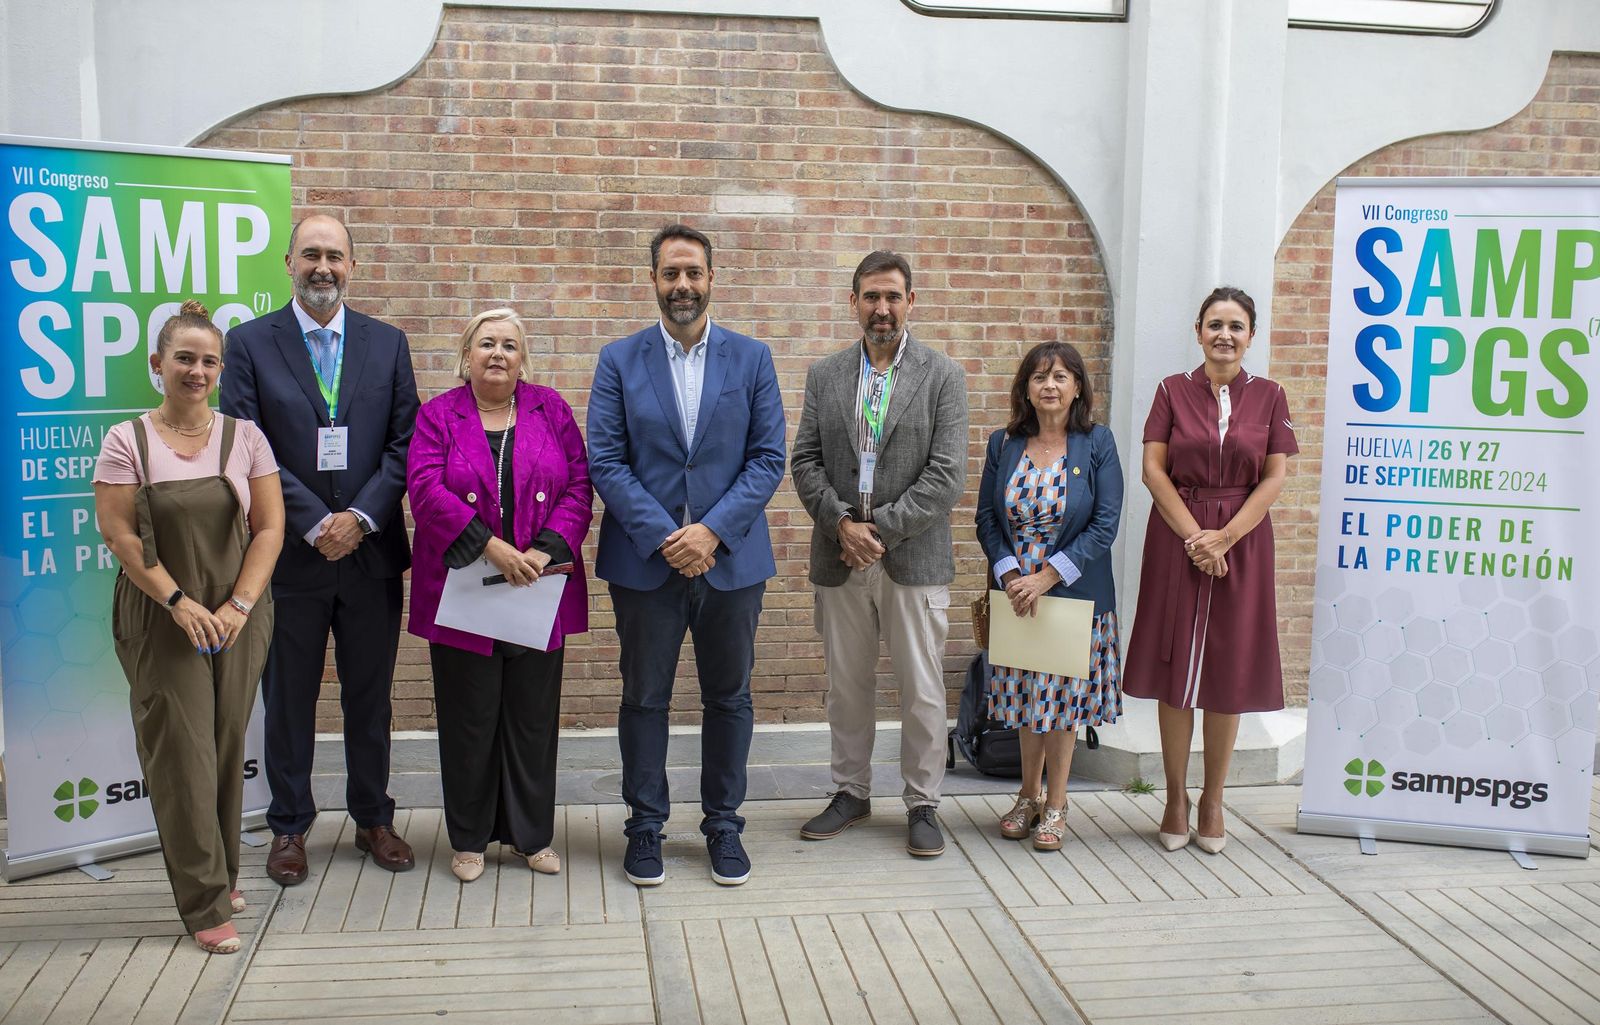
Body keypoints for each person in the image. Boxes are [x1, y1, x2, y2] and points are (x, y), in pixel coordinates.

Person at [220, 214, 421, 885]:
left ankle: (372, 817)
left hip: (371, 555)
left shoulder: (388, 344)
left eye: (335, 256)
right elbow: (248, 446)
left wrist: (359, 516)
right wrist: (315, 522)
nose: (323, 267)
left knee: (370, 695)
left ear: (353, 266)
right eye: (311, 254)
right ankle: (289, 824)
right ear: (288, 262)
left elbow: (405, 444)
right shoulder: (248, 344)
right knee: (289, 695)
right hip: (291, 556)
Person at [586, 224, 786, 888]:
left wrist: (712, 532)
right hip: (647, 562)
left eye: (693, 273)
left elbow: (767, 459)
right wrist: (669, 536)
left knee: (729, 697)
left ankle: (723, 825)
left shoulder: (753, 359)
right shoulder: (619, 360)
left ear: (712, 279)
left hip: (732, 562)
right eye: (671, 273)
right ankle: (645, 828)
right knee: (645, 697)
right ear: (653, 280)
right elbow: (606, 462)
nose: (683, 285)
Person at [94, 301, 285, 954]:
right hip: (160, 614)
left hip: (238, 613)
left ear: (221, 369)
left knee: (228, 743)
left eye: (208, 360)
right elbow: (119, 533)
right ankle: (203, 901)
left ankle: (224, 871)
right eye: (184, 358)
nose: (196, 370)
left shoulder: (245, 438)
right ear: (157, 364)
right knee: (184, 758)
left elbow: (269, 528)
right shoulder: (129, 440)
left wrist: (237, 604)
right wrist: (177, 600)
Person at [792, 250, 969, 858]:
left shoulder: (942, 375)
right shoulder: (826, 374)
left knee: (921, 688)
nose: (882, 308)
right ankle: (851, 791)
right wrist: (843, 524)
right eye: (871, 296)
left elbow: (946, 476)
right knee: (846, 685)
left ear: (911, 302)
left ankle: (922, 802)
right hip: (840, 554)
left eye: (893, 296)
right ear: (853, 303)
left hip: (911, 559)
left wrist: (880, 531)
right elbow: (805, 462)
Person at [406, 308, 592, 882]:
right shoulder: (439, 415)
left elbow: (580, 483)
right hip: (466, 590)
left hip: (537, 587)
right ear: (466, 354)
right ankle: (468, 838)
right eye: (486, 343)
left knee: (532, 718)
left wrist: (541, 549)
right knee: (469, 719)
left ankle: (530, 836)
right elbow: (424, 486)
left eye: (510, 345)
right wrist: (490, 546)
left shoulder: (550, 409)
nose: (498, 354)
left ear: (522, 358)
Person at [1123, 286, 1297, 854]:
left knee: (1228, 667)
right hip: (1178, 535)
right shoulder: (1171, 391)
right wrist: (1197, 537)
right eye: (1215, 324)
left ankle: (1213, 797)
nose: (1225, 334)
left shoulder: (1270, 396)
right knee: (1176, 663)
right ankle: (1174, 795)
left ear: (1251, 335)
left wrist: (1226, 536)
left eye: (1237, 326)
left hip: (1242, 539)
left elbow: (1273, 478)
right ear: (1198, 331)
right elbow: (1154, 469)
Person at [976, 342, 1124, 850]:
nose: (1050, 386)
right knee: (1023, 702)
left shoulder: (1097, 443)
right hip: (1018, 593)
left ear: (1077, 386)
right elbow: (987, 519)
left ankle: (1056, 804)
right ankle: (1026, 795)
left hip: (1071, 592)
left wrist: (1047, 577)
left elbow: (1105, 524)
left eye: (1061, 376)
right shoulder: (1003, 443)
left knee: (1060, 706)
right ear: (1026, 389)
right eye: (1040, 377)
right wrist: (1012, 573)